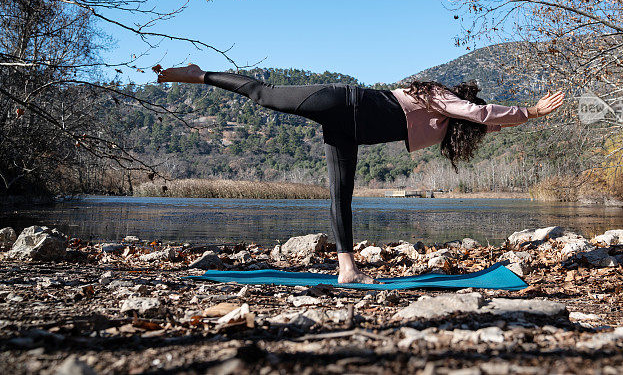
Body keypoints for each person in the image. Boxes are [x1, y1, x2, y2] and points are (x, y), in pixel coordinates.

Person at [154, 64, 565, 283]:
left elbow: (484, 121)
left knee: (341, 196)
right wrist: (530, 110)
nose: (467, 111)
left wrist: (524, 120)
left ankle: (347, 268)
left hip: (347, 131)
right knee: (263, 95)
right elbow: (477, 111)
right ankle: (199, 74)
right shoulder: (438, 95)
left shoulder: (445, 120)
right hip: (340, 102)